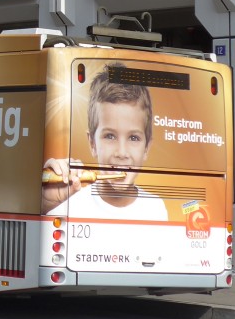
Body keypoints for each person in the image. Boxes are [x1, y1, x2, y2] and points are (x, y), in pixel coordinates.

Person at [42, 63, 167, 220]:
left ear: (147, 148)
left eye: (133, 138)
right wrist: (45, 203)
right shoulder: (69, 204)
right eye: (110, 136)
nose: (121, 153)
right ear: (92, 144)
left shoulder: (156, 209)